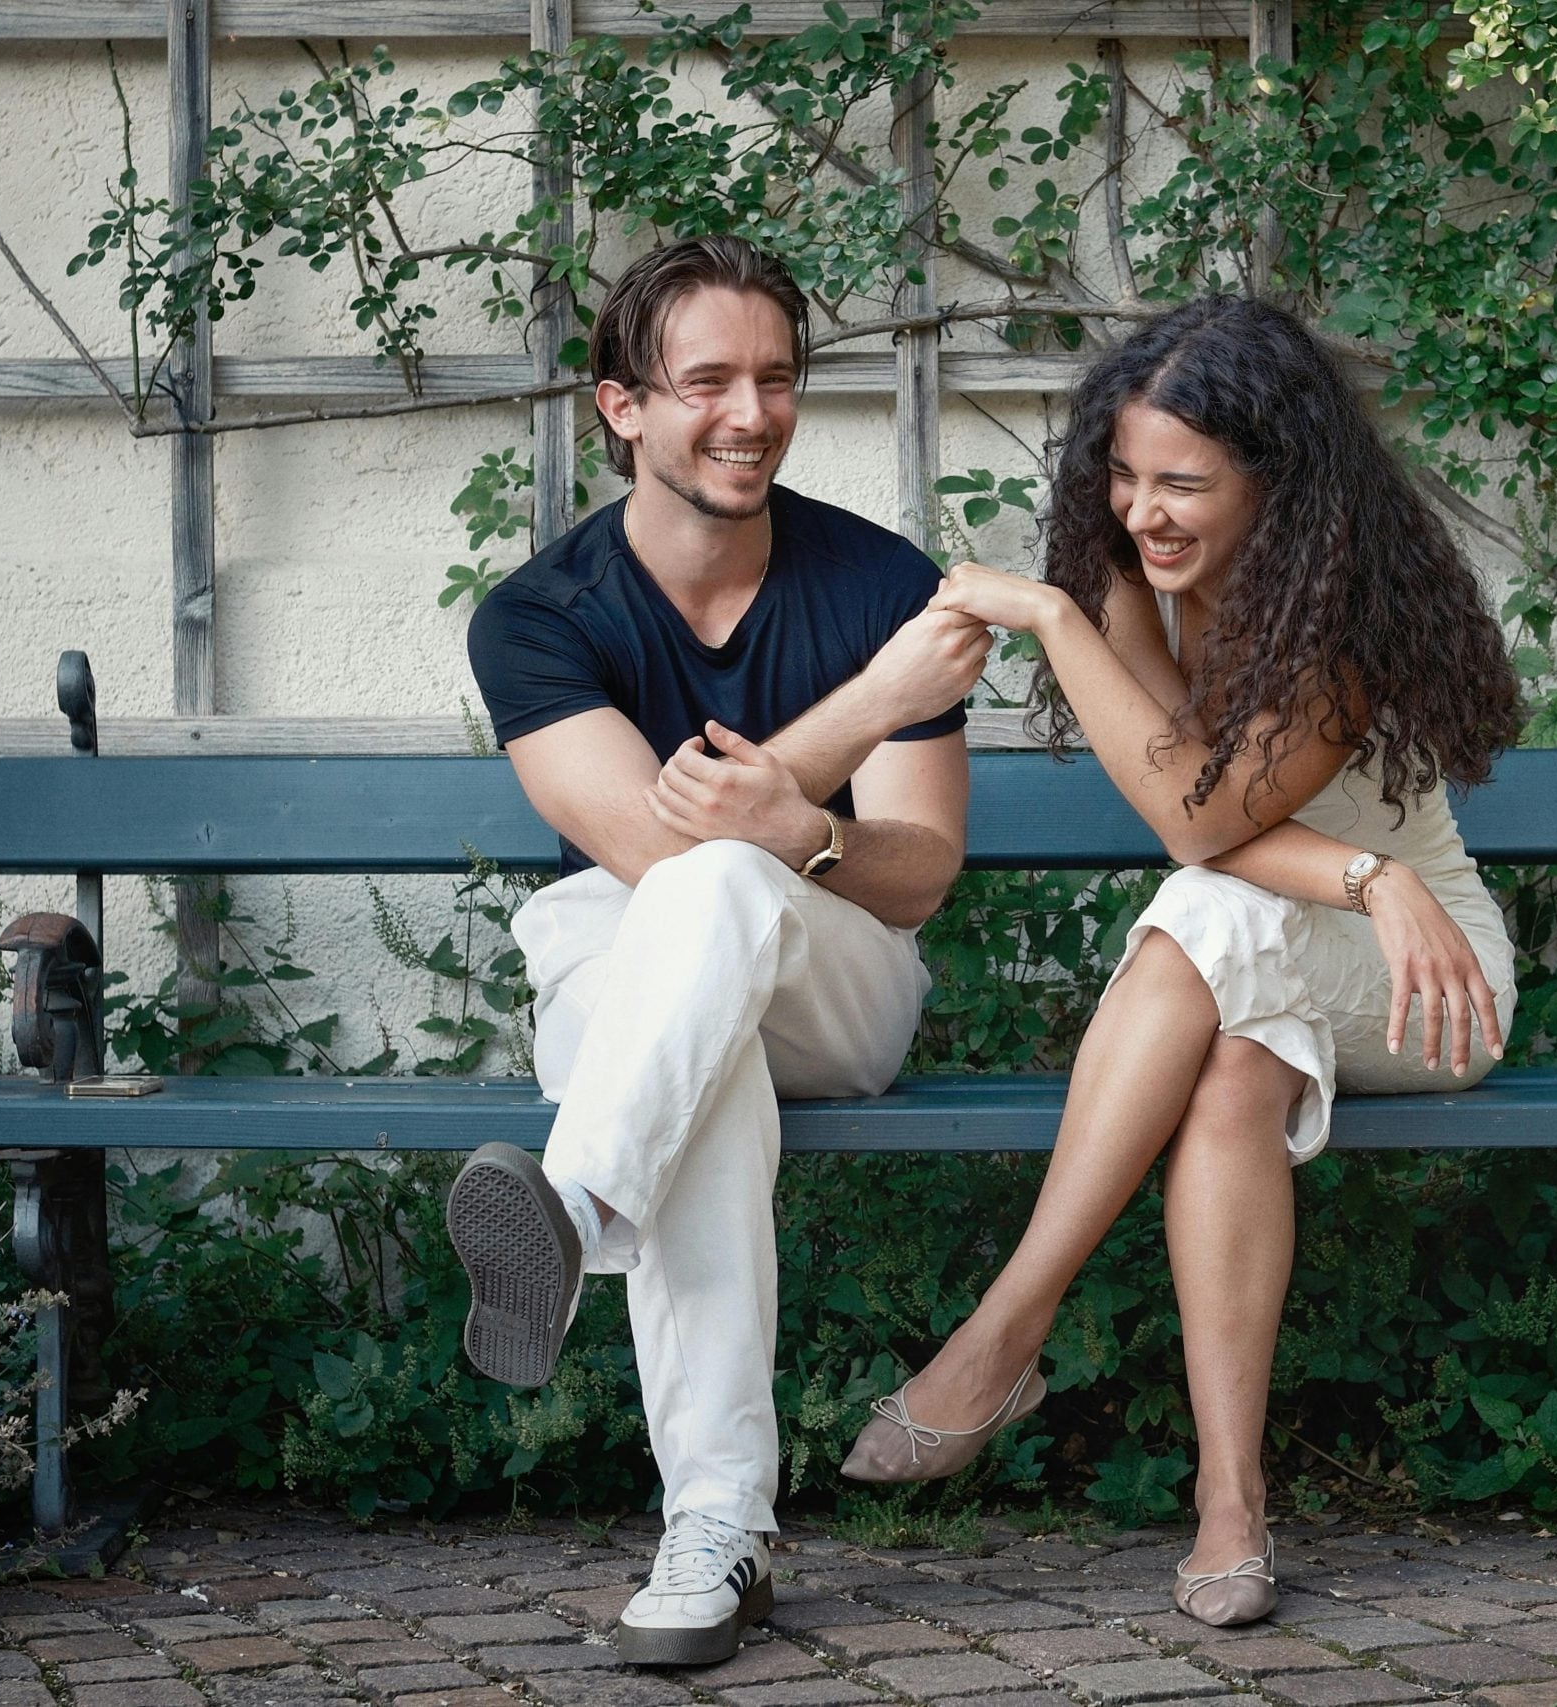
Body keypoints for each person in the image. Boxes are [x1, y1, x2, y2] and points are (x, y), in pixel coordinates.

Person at [839, 296, 1523, 1627]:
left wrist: (1045, 613)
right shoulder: (1128, 580)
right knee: (1228, 1074)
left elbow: (1196, 823)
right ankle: (1230, 1508)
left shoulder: (1343, 625)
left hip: (1431, 980)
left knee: (1204, 915)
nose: (1144, 509)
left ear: (1278, 483)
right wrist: (1357, 874)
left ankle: (1001, 1335)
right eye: (1127, 473)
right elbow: (1204, 823)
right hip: (1300, 939)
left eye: (1185, 484)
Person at [455, 236, 992, 1666]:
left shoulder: (875, 578)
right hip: (625, 968)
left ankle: (574, 1208)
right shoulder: (537, 618)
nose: (749, 413)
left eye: (775, 377)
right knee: (697, 1056)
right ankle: (718, 1532)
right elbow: (653, 850)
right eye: (707, 382)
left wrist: (805, 838)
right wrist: (866, 707)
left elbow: (920, 872)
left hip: (837, 965)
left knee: (721, 911)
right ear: (620, 405)